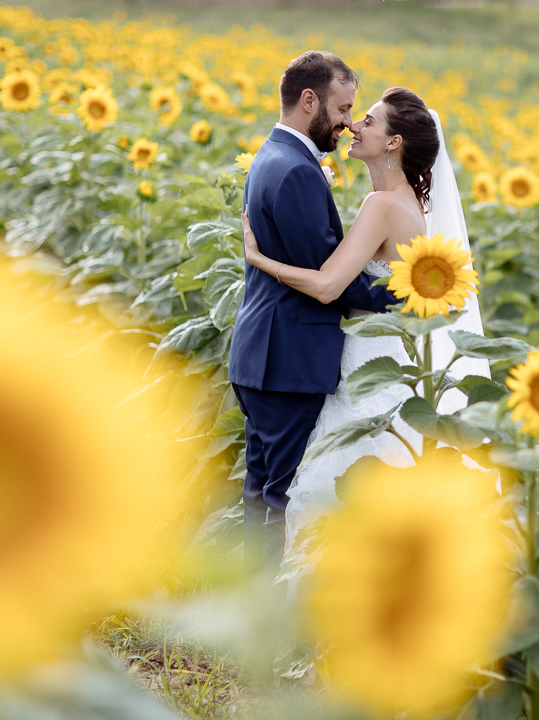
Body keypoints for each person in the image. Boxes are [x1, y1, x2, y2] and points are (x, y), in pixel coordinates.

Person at [240, 86, 490, 563]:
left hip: (373, 363)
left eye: (369, 121)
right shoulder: (406, 205)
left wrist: (258, 258)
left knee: (346, 478)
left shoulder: (383, 207)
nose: (355, 125)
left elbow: (328, 285)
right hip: (387, 357)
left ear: (394, 143)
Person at [228, 51, 397, 575]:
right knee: (282, 494)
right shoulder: (297, 171)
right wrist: (410, 295)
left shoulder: (274, 155)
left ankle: (247, 609)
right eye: (343, 107)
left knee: (262, 491)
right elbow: (332, 281)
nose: (347, 122)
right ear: (309, 100)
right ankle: (263, 628)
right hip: (288, 361)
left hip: (267, 353)